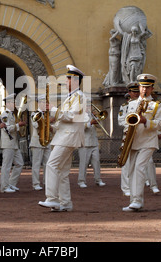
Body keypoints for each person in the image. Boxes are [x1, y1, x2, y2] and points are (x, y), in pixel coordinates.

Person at [38, 64, 86, 212]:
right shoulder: (70, 97)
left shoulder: (79, 97)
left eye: (68, 79)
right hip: (64, 136)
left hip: (68, 137)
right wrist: (50, 126)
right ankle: (65, 203)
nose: (66, 82)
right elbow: (64, 120)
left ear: (75, 81)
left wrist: (52, 109)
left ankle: (52, 199)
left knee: (52, 165)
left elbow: (73, 116)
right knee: (62, 172)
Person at [121, 73, 161, 212]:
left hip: (148, 141)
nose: (144, 90)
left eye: (147, 87)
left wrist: (146, 121)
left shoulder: (156, 105)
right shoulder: (131, 104)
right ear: (139, 87)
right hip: (133, 140)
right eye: (142, 87)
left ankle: (137, 200)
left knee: (140, 168)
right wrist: (125, 137)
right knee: (132, 170)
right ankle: (133, 200)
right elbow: (126, 122)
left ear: (152, 88)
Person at [0, 93, 26, 193]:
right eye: (13, 102)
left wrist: (18, 125)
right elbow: (7, 129)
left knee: (19, 163)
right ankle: (4, 186)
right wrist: (18, 125)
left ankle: (11, 183)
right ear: (8, 103)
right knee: (6, 165)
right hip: (7, 143)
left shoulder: (11, 114)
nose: (15, 104)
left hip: (13, 143)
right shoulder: (5, 114)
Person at [77, 98, 106, 188]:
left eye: (90, 105)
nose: (89, 107)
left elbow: (100, 127)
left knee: (96, 162)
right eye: (87, 104)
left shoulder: (92, 115)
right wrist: (90, 122)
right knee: (84, 163)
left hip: (94, 142)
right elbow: (81, 127)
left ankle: (98, 179)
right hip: (84, 143)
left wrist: (97, 119)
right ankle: (81, 181)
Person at [118, 82, 140, 196]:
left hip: (139, 136)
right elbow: (120, 120)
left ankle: (134, 187)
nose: (136, 93)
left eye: (137, 91)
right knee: (126, 163)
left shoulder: (143, 104)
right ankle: (126, 188)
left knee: (137, 163)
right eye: (133, 91)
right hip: (128, 134)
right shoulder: (124, 106)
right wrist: (130, 125)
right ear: (129, 93)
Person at [30, 95, 51, 191]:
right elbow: (36, 125)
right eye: (43, 102)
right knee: (37, 163)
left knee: (48, 163)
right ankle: (36, 183)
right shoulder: (34, 113)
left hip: (47, 141)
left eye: (46, 103)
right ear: (39, 103)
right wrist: (47, 122)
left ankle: (47, 181)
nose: (45, 104)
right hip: (37, 141)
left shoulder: (47, 114)